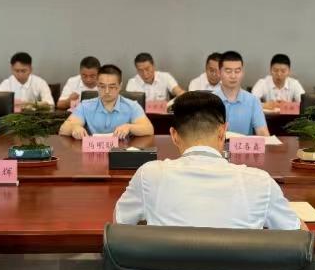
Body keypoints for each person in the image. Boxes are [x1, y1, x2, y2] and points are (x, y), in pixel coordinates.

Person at [114, 91, 301, 229]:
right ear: (223, 132)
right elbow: (298, 235)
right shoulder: (260, 182)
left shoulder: (149, 175)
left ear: (174, 135)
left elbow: (118, 226)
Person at [59, 64, 153, 139]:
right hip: (93, 151)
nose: (107, 91)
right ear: (97, 85)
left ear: (120, 86)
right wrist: (74, 127)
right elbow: (63, 129)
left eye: (112, 87)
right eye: (102, 86)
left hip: (121, 151)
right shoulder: (85, 105)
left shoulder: (132, 106)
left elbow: (149, 129)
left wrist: (129, 127)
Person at [212, 51, 269, 136]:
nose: (233, 76)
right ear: (219, 73)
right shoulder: (210, 100)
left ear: (242, 73)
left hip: (243, 145)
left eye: (237, 71)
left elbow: (262, 132)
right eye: (228, 71)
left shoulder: (253, 101)